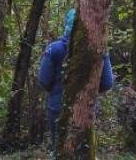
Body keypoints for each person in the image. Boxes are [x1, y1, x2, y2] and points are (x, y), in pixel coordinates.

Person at [37, 8, 115, 151]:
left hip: (57, 107)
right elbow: (107, 82)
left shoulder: (54, 49)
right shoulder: (99, 49)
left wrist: (56, 91)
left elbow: (43, 80)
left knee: (59, 149)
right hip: (87, 108)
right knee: (83, 149)